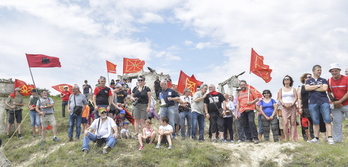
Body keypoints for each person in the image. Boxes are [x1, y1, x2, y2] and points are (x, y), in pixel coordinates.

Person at [305, 65, 334, 144]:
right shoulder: (308, 81)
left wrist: (313, 87)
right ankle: (316, 138)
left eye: (320, 70)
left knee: (327, 119)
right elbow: (307, 88)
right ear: (313, 71)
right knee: (315, 121)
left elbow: (324, 88)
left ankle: (330, 138)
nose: (320, 72)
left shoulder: (324, 80)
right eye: (318, 70)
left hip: (324, 101)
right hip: (313, 102)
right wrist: (318, 86)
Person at [327, 63, 348, 143]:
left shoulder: (346, 79)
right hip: (336, 106)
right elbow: (329, 92)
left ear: (339, 70)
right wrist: (334, 102)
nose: (334, 72)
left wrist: (340, 101)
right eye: (332, 71)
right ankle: (337, 140)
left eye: (336, 71)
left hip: (346, 104)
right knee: (336, 123)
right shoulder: (329, 80)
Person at [278, 75, 298, 141]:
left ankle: (292, 138)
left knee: (293, 122)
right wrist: (283, 104)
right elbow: (280, 98)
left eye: (287, 79)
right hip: (284, 106)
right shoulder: (281, 89)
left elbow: (296, 97)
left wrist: (292, 103)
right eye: (285, 79)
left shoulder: (293, 89)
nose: (286, 80)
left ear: (290, 81)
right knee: (285, 122)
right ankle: (286, 137)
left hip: (292, 106)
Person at [298, 73, 314, 141]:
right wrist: (299, 107)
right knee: (304, 122)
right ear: (304, 78)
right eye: (308, 77)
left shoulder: (313, 86)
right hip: (304, 106)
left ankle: (314, 136)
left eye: (311, 77)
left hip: (313, 105)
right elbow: (299, 98)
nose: (310, 78)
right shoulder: (301, 87)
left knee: (313, 122)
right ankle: (306, 137)